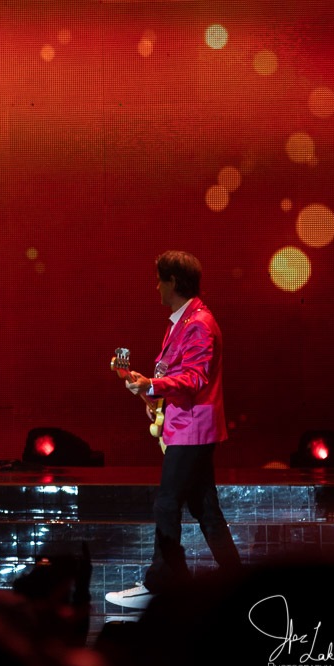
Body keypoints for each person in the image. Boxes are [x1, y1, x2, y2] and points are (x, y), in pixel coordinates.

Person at [105, 250, 242, 611]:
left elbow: (195, 378)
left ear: (174, 282)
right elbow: (175, 374)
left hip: (193, 428)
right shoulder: (183, 321)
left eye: (160, 280)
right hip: (188, 425)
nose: (156, 287)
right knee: (205, 509)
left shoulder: (199, 323)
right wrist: (148, 386)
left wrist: (152, 385)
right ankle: (238, 583)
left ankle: (163, 584)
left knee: (168, 503)